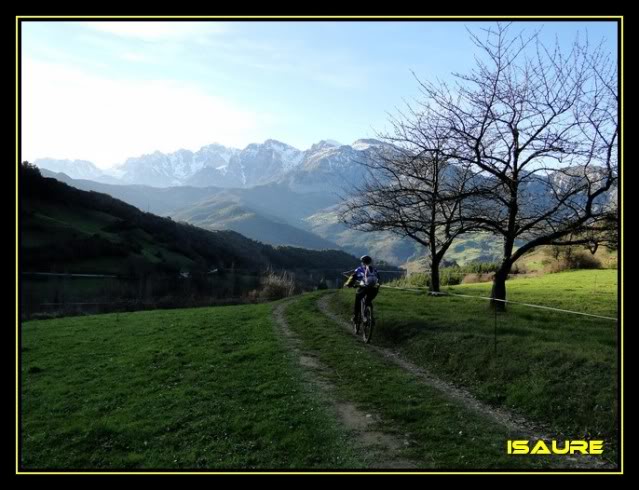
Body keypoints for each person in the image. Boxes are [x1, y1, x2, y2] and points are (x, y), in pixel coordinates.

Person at [345, 255, 380, 330]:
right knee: (368, 301)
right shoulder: (374, 269)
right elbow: (379, 279)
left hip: (363, 288)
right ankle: (371, 317)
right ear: (370, 262)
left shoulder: (359, 269)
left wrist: (348, 284)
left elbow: (352, 277)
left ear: (362, 262)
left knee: (357, 300)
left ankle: (355, 317)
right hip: (374, 289)